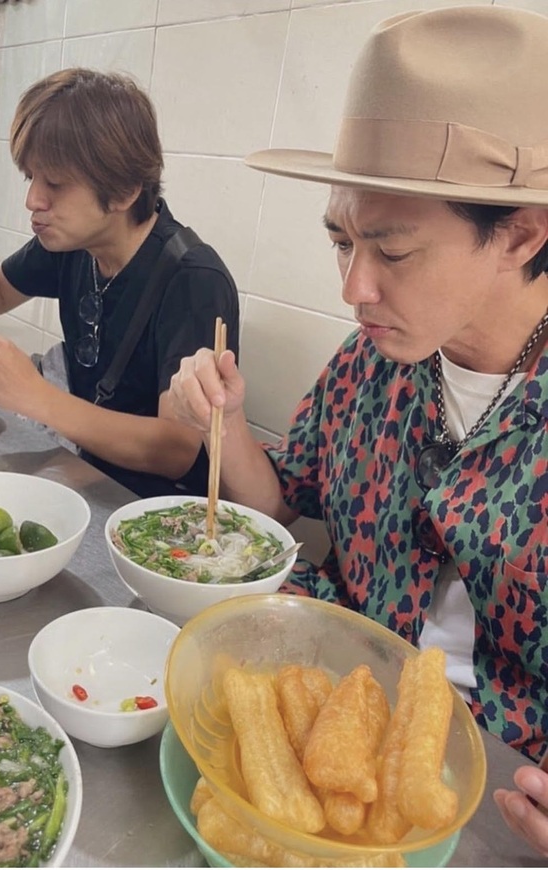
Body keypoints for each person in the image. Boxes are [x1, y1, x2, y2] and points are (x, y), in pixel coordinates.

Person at [167, 3, 548, 849]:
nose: (353, 288)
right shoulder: (368, 362)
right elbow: (283, 500)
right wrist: (222, 426)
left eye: (393, 251)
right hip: (321, 721)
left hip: (497, 799)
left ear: (520, 234)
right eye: (341, 241)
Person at [0, 68, 239, 498]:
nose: (32, 200)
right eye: (31, 178)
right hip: (87, 478)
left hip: (156, 515)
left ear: (123, 191)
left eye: (56, 184)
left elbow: (174, 450)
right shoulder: (72, 244)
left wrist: (36, 396)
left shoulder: (193, 279)